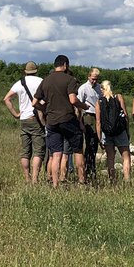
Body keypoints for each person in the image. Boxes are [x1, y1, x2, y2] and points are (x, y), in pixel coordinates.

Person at [32, 55, 83, 188]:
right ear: (65, 65)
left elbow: (34, 102)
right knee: (77, 150)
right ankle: (82, 181)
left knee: (56, 154)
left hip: (52, 121)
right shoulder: (70, 79)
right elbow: (73, 100)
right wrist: (84, 106)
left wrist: (44, 108)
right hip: (67, 119)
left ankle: (55, 184)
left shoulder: (46, 81)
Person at [3, 60, 45, 183]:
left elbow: (7, 99)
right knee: (38, 151)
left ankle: (27, 177)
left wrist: (16, 114)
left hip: (24, 119)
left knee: (25, 151)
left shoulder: (19, 83)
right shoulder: (41, 81)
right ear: (36, 71)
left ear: (25, 71)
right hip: (36, 118)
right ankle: (35, 179)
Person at [96, 79, 132, 183]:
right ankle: (127, 179)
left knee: (110, 158)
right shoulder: (118, 97)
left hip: (107, 133)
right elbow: (125, 115)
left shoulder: (99, 102)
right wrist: (127, 131)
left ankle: (112, 179)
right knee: (125, 157)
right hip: (120, 131)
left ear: (102, 89)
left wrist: (99, 138)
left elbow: (98, 122)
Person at [77, 68, 103, 182]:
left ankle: (91, 168)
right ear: (89, 77)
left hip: (99, 116)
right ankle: (89, 169)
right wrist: (80, 121)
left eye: (96, 79)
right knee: (90, 142)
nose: (94, 81)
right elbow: (78, 105)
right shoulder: (83, 88)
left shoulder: (99, 87)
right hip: (88, 115)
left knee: (95, 144)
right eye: (93, 79)